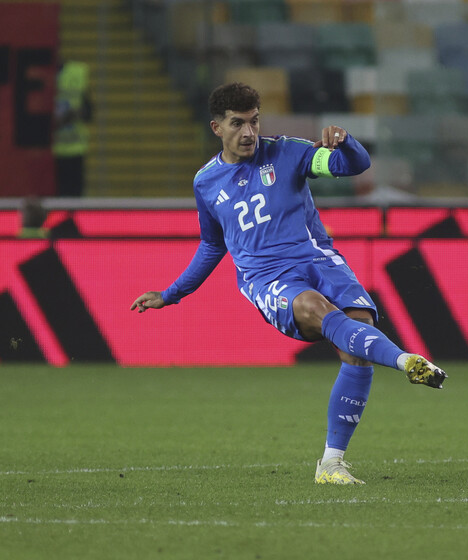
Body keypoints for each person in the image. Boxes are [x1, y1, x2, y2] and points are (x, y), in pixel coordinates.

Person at [130, 82, 447, 485]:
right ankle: (405, 361)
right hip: (267, 278)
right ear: (217, 128)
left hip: (319, 260)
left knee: (359, 337)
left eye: (255, 121)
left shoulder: (289, 153)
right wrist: (172, 293)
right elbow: (213, 245)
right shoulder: (206, 183)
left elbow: (351, 166)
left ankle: (331, 464)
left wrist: (345, 143)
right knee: (316, 308)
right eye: (237, 124)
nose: (249, 132)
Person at [53, 59, 92, 197]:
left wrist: (72, 115)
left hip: (74, 151)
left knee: (74, 197)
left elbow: (88, 111)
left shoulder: (75, 75)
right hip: (49, 155)